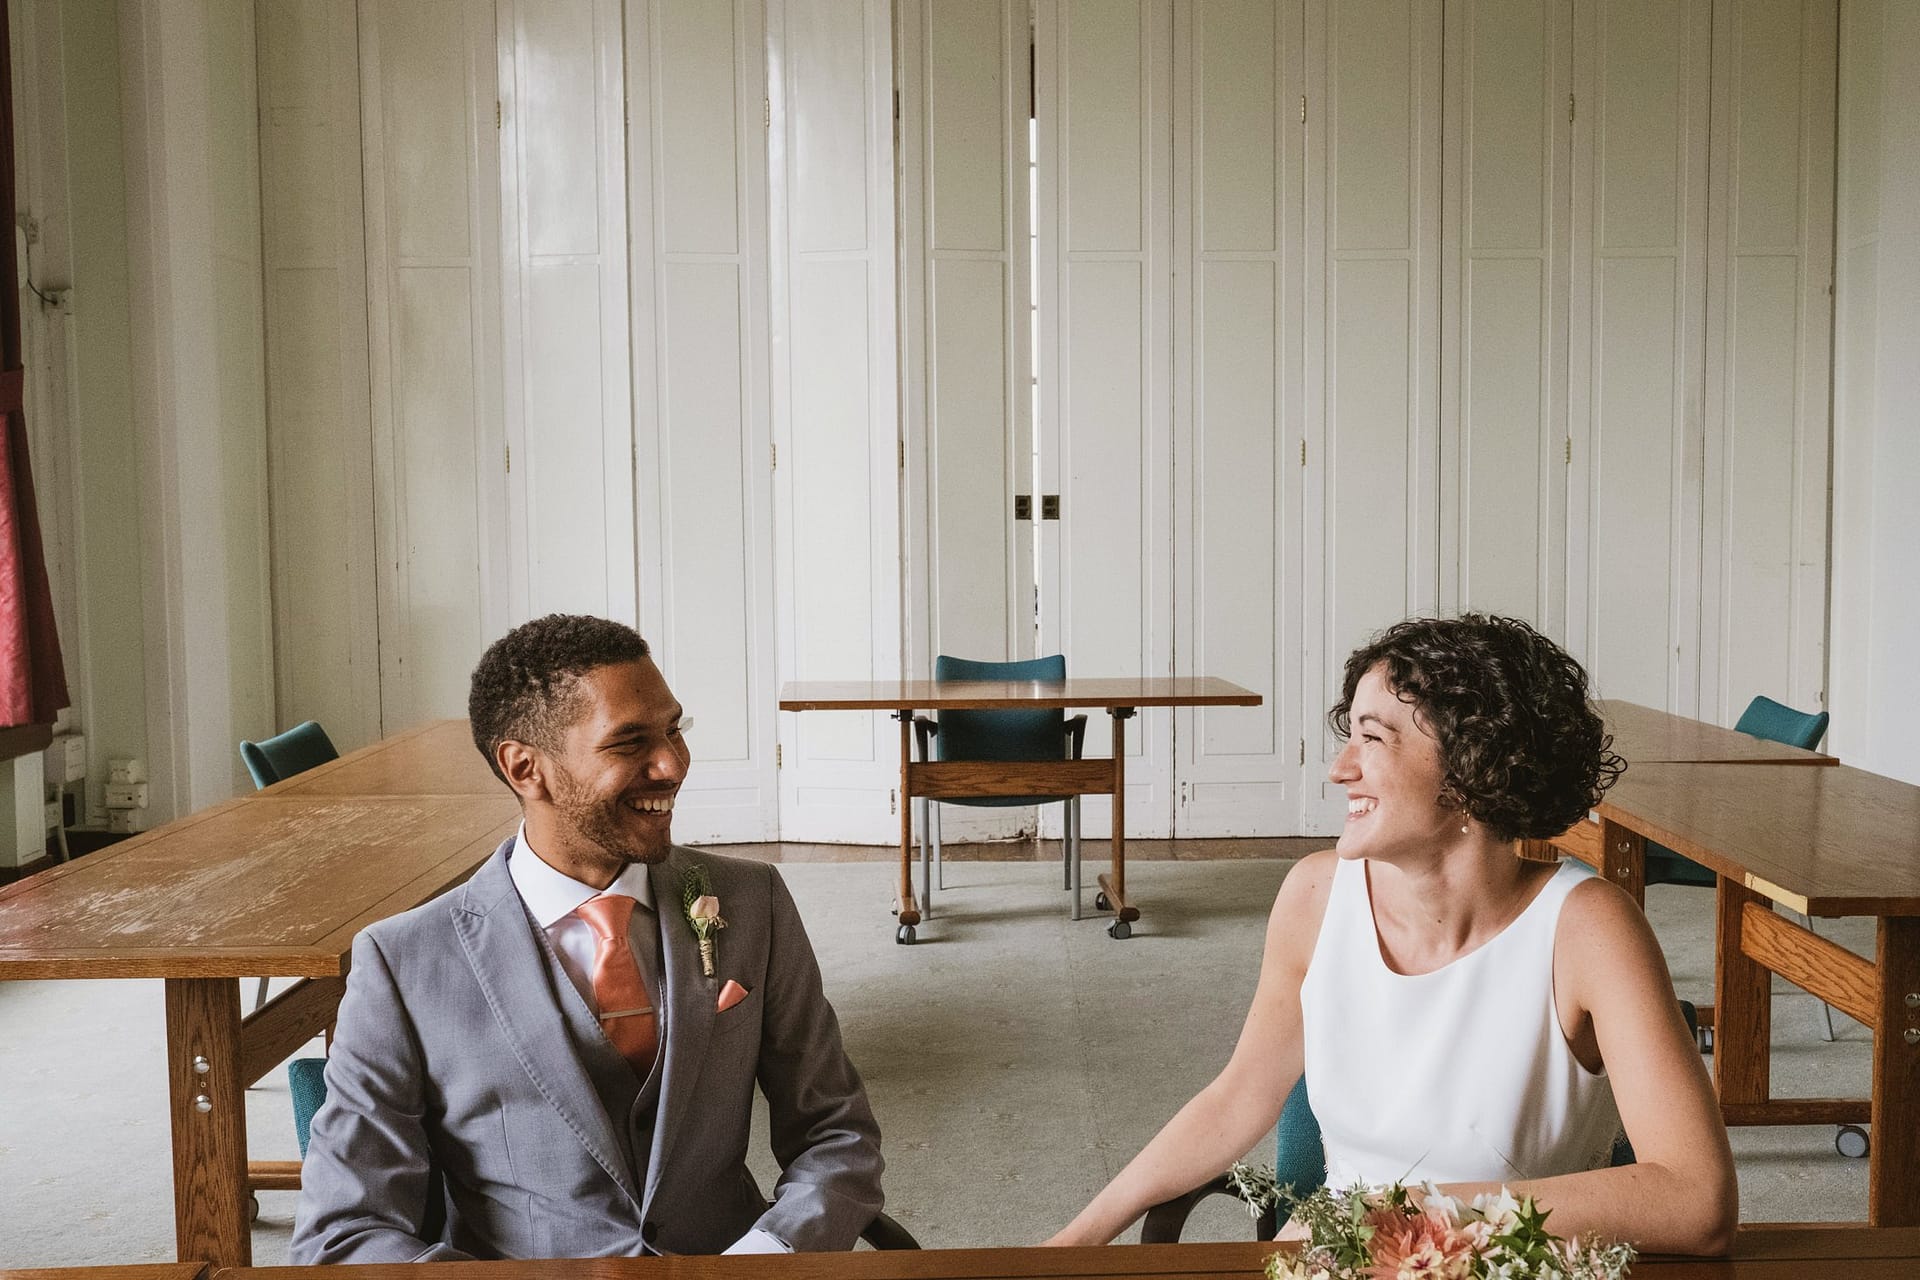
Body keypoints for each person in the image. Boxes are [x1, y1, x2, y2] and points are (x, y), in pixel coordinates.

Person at [1046, 615, 1738, 1255]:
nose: (1339, 768)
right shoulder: (1315, 896)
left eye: (1373, 738)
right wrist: (1071, 1242)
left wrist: (1412, 1211)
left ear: (1472, 767)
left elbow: (1696, 1199)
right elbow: (1235, 1099)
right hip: (1328, 1261)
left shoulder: (1589, 929)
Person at [292, 615, 884, 1261]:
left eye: (674, 730)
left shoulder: (753, 901)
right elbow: (343, 1234)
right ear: (526, 768)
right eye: (629, 743)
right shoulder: (403, 963)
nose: (672, 764)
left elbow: (837, 1135)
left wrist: (765, 1256)